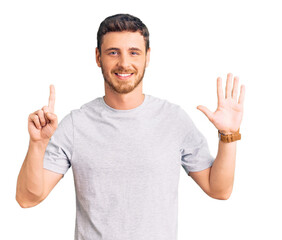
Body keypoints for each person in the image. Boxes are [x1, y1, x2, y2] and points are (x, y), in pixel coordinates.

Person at [16, 13, 245, 240]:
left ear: (147, 57)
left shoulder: (173, 120)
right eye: (113, 52)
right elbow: (27, 198)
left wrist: (229, 135)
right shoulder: (76, 124)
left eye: (134, 52)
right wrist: (38, 144)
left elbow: (219, 190)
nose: (124, 63)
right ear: (98, 57)